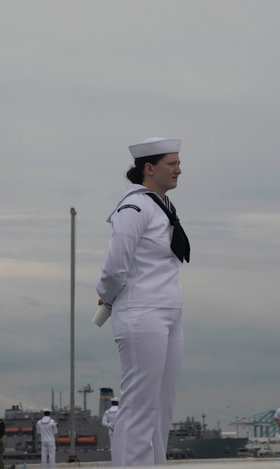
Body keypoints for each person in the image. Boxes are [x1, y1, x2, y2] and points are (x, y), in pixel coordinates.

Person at [96, 137, 189, 467]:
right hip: (141, 310)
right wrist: (106, 296)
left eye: (178, 162)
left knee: (162, 404)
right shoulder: (134, 206)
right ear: (149, 168)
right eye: (172, 163)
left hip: (168, 310)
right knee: (139, 404)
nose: (179, 169)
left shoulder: (161, 206)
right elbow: (116, 262)